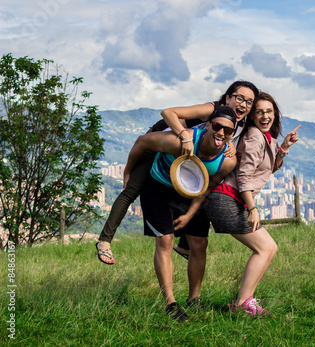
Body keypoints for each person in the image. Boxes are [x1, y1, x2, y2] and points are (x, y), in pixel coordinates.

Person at [95, 80, 259, 264]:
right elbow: (168, 113)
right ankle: (104, 240)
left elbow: (221, 135)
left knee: (200, 187)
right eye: (240, 98)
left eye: (249, 102)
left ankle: (185, 244)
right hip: (158, 141)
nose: (243, 104)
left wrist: (229, 144)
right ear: (228, 97)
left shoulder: (240, 123)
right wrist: (183, 137)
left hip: (181, 153)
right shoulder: (210, 109)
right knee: (131, 189)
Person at [176, 92, 300, 316]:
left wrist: (283, 147)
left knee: (268, 249)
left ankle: (245, 301)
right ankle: (243, 302)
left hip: (231, 199)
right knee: (266, 248)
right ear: (252, 117)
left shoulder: (266, 138)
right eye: (259, 112)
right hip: (226, 199)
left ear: (275, 114)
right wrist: (252, 209)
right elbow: (244, 176)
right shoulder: (253, 136)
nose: (265, 116)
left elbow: (269, 167)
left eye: (269, 111)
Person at [124, 106, 238, 321]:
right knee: (165, 241)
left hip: (192, 193)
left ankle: (194, 299)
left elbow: (209, 186)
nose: (221, 133)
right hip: (159, 187)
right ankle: (170, 303)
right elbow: (142, 140)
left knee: (199, 244)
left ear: (233, 135)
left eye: (228, 131)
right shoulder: (181, 142)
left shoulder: (228, 160)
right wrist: (128, 171)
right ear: (207, 124)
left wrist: (190, 214)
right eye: (217, 126)